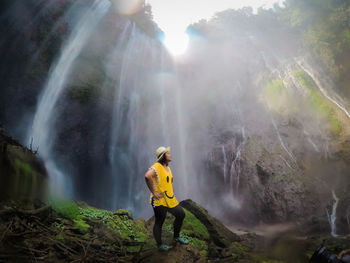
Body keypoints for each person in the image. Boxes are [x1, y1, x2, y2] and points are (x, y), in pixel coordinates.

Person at [144, 146, 189, 251]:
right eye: (168, 153)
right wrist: (154, 192)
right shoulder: (157, 166)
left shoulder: (167, 168)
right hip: (159, 200)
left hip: (169, 199)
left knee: (181, 214)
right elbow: (147, 176)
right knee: (160, 221)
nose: (170, 155)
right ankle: (160, 245)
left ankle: (176, 237)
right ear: (163, 156)